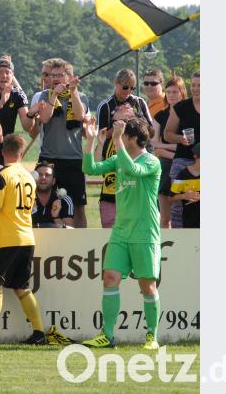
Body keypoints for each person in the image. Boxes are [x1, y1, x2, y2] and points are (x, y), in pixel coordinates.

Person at [81, 117, 162, 350]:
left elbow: (132, 169)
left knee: (147, 286)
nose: (120, 138)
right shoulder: (119, 158)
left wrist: (115, 140)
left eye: (124, 134)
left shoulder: (152, 162)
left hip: (145, 233)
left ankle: (151, 336)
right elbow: (90, 168)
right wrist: (90, 142)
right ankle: (106, 335)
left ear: (133, 138)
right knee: (109, 279)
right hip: (121, 232)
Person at [0, 135, 51, 345]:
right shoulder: (29, 176)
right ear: (21, 154)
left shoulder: (1, 176)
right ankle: (39, 332)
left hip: (4, 239)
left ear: (2, 151)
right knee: (22, 288)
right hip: (26, 238)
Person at [95, 69, 154, 228]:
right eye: (125, 87)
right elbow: (101, 135)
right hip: (114, 157)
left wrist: (134, 118)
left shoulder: (139, 102)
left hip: (138, 156)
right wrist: (118, 121)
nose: (128, 92)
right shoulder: (106, 106)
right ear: (116, 83)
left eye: (132, 88)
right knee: (113, 200)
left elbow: (152, 131)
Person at [35, 58, 89, 228]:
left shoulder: (81, 96)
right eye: (52, 75)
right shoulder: (45, 95)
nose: (56, 78)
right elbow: (44, 118)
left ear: (69, 77)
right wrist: (54, 95)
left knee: (78, 206)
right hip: (49, 158)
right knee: (45, 200)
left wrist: (73, 92)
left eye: (60, 75)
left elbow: (80, 116)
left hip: (73, 159)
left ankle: (81, 242)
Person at [163, 72, 200, 229]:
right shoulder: (181, 107)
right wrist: (180, 139)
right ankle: (180, 243)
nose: (196, 88)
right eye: (193, 85)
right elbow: (167, 134)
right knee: (178, 207)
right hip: (183, 161)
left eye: (200, 85)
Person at [151, 76, 188, 228]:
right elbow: (155, 146)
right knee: (165, 218)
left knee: (183, 215)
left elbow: (190, 144)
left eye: (175, 91)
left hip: (186, 166)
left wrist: (165, 146)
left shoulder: (189, 114)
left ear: (182, 93)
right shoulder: (160, 116)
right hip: (165, 167)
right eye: (168, 92)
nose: (171, 95)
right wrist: (177, 148)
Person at [165, 143, 200, 228]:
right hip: (190, 222)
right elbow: (170, 198)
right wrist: (184, 196)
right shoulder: (183, 175)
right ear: (195, 156)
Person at [31, 161, 75, 228]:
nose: (43, 178)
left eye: (47, 175)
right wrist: (32, 211)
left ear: (53, 181)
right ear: (33, 179)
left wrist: (56, 217)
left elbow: (70, 232)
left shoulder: (64, 199)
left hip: (57, 238)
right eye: (39, 174)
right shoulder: (25, 197)